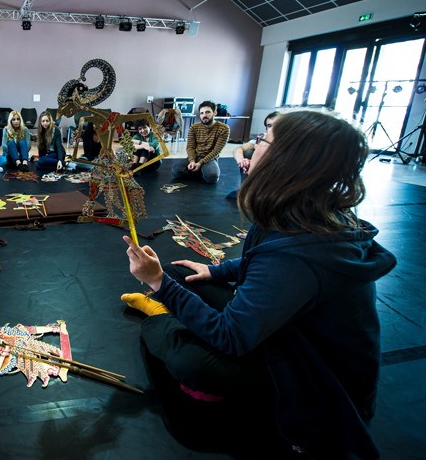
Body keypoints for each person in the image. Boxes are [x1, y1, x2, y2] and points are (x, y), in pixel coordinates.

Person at [123, 110, 396, 458]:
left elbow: (230, 336)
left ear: (289, 161)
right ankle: (175, 308)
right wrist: (217, 272)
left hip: (306, 372)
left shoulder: (302, 254)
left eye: (264, 141)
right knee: (185, 274)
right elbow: (265, 261)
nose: (252, 148)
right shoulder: (302, 210)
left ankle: (159, 316)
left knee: (190, 360)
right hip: (285, 333)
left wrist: (158, 284)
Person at [171, 101, 229, 184]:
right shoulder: (194, 127)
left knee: (212, 177)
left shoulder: (224, 128)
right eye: (202, 113)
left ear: (215, 112)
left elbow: (216, 151)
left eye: (207, 112)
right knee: (176, 171)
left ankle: (201, 170)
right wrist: (192, 161)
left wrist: (200, 163)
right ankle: (200, 171)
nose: (204, 115)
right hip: (195, 156)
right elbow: (190, 147)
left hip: (210, 159)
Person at [226, 111, 278, 199]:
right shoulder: (262, 137)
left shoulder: (288, 140)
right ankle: (245, 190)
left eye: (276, 124)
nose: (272, 128)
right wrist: (242, 160)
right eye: (269, 125)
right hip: (259, 168)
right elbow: (238, 149)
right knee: (247, 152)